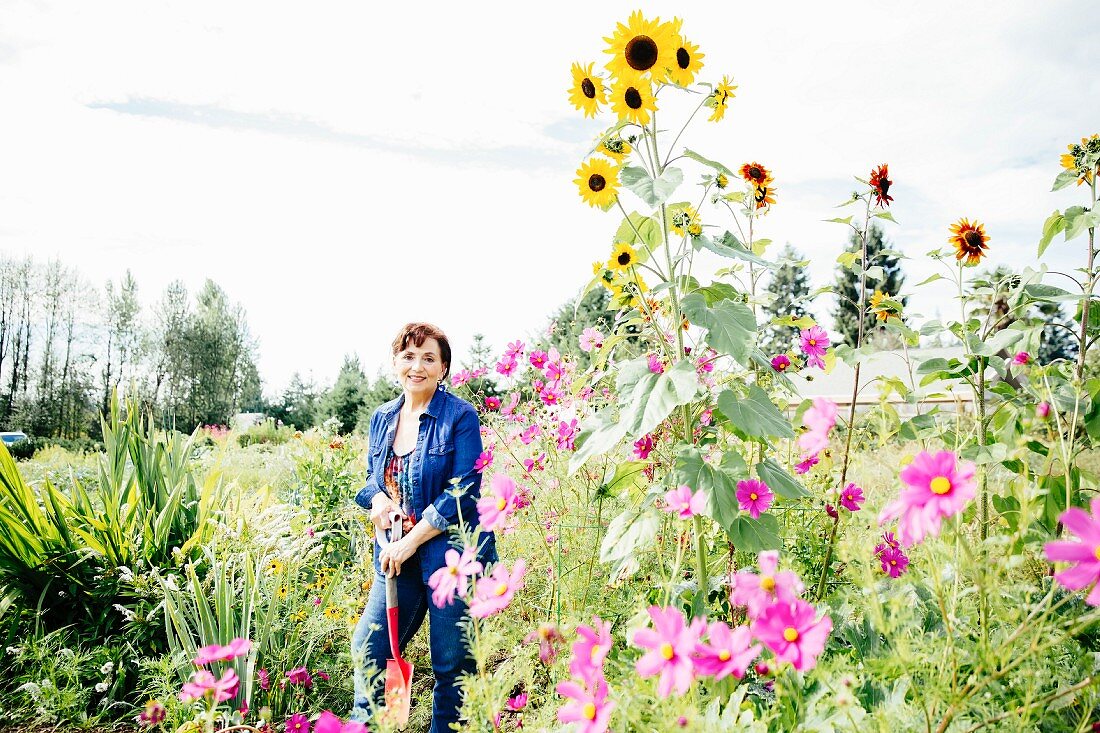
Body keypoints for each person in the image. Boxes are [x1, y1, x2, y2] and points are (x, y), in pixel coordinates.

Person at [350, 322, 495, 731]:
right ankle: (368, 726)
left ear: (443, 368)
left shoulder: (460, 417)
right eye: (409, 356)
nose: (418, 366)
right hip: (399, 554)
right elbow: (371, 479)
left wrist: (410, 541)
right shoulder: (382, 417)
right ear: (396, 363)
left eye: (429, 358)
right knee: (368, 646)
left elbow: (463, 491)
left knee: (451, 663)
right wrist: (377, 500)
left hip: (451, 556)